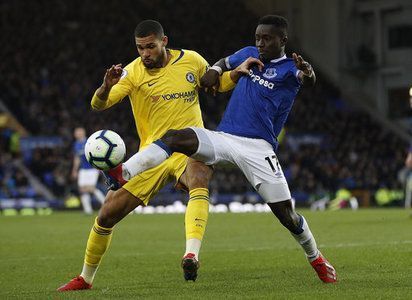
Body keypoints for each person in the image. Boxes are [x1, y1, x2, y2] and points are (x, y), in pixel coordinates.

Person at [107, 15, 337, 283]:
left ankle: (316, 257)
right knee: (175, 137)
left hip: (258, 148)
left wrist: (308, 71)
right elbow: (219, 67)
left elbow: (307, 79)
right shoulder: (249, 53)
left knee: (287, 216)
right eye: (258, 38)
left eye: (267, 39)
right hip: (225, 138)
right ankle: (124, 172)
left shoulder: (290, 68)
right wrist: (217, 71)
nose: (260, 43)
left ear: (283, 40)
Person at [57, 20, 232, 291]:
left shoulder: (192, 61)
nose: (145, 53)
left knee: (198, 178)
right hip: (151, 155)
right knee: (105, 216)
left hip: (189, 147)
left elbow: (217, 84)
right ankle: (85, 279)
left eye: (150, 46)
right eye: (140, 48)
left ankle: (191, 255)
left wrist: (238, 72)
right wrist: (105, 86)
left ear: (164, 41)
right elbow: (97, 105)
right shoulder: (132, 72)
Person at [71, 127, 105, 214]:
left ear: (83, 132)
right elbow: (77, 158)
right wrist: (74, 170)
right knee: (82, 189)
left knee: (90, 188)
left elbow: (97, 153)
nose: (76, 134)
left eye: (78, 132)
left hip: (92, 169)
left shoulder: (89, 142)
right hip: (83, 170)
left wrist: (99, 166)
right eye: (76, 133)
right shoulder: (76, 144)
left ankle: (106, 204)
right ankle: (88, 210)